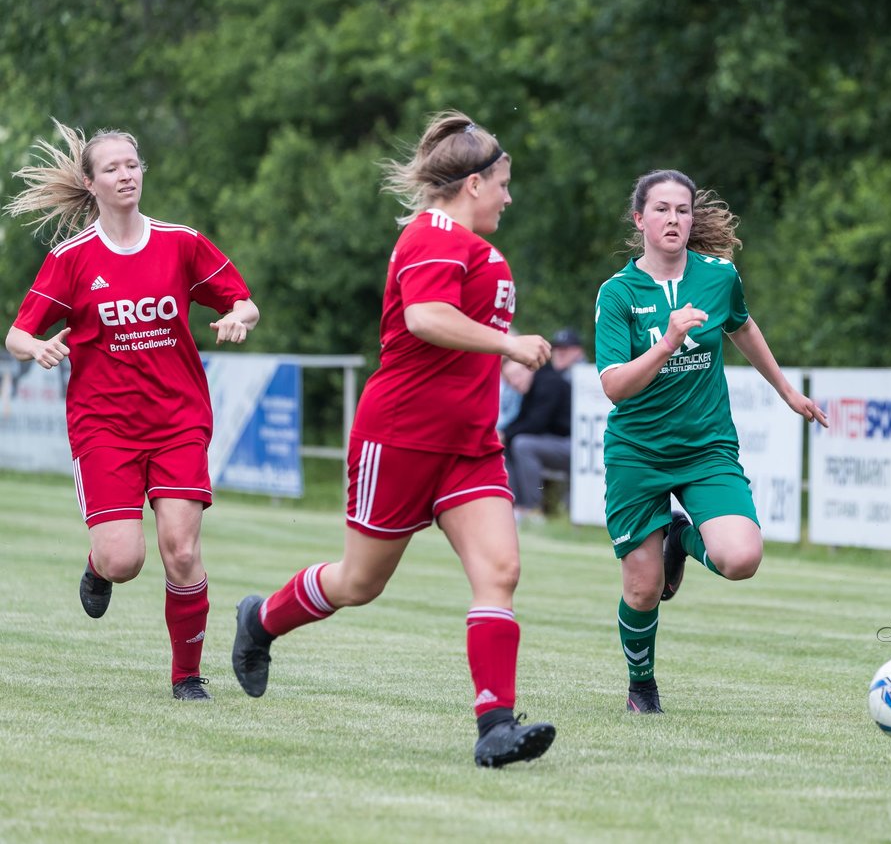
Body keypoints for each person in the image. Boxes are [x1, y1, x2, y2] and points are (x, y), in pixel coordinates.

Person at [230, 110, 557, 768]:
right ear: (471, 183)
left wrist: (503, 358)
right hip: (401, 438)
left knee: (501, 571)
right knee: (358, 583)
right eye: (503, 183)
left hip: (468, 444)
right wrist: (508, 344)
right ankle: (261, 620)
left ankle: (494, 725)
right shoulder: (432, 235)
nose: (508, 196)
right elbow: (426, 317)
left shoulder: (479, 248)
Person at [3, 119, 259, 701]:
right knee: (125, 560)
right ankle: (98, 565)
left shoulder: (181, 242)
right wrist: (38, 346)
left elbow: (244, 302)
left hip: (178, 420)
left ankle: (187, 676)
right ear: (91, 183)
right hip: (104, 427)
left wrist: (238, 317)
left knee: (183, 549)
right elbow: (18, 333)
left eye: (132, 165)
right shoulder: (72, 258)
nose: (126, 175)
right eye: (112, 168)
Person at [593, 169, 828, 714]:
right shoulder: (619, 293)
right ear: (640, 220)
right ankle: (642, 689)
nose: (673, 219)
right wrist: (669, 340)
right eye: (661, 209)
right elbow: (614, 388)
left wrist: (787, 391)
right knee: (643, 590)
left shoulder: (719, 277)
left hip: (706, 449)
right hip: (638, 452)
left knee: (742, 557)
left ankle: (681, 540)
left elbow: (741, 326)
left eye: (682, 209)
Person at [504, 327, 584, 523]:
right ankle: (515, 506)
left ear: (528, 368)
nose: (514, 383)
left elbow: (535, 423)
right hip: (556, 443)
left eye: (516, 377)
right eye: (510, 381)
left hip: (576, 445)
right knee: (509, 443)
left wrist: (505, 434)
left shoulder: (549, 382)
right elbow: (524, 420)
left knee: (522, 444)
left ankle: (533, 509)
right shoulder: (534, 384)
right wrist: (503, 434)